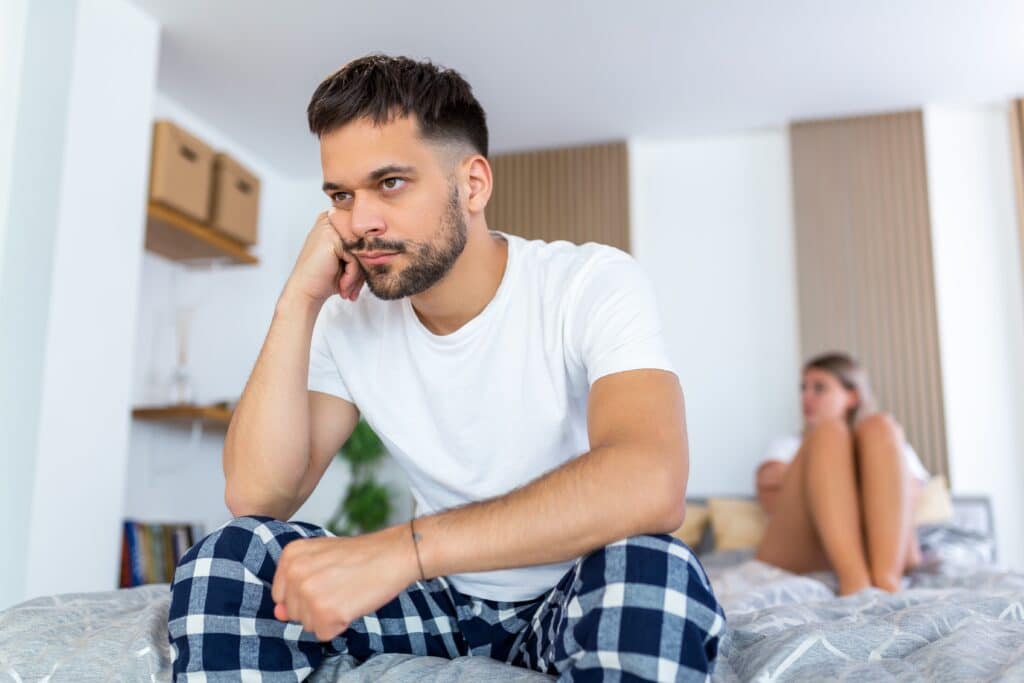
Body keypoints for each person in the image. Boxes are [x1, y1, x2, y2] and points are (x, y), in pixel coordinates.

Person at [167, 55, 724, 681]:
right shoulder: (347, 319)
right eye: (341, 196)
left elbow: (651, 481)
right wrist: (297, 300)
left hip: (572, 590)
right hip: (438, 604)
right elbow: (258, 497)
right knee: (230, 560)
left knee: (658, 571)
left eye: (391, 184)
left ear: (473, 185)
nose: (361, 221)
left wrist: (404, 552)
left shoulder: (590, 282)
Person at [754, 352, 929, 596]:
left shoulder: (890, 444)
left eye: (819, 388)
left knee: (880, 425)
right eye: (803, 388)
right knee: (829, 435)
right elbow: (768, 488)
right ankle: (855, 582)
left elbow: (911, 504)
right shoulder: (788, 445)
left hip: (880, 550)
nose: (806, 397)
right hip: (804, 548)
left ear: (852, 396)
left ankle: (885, 580)